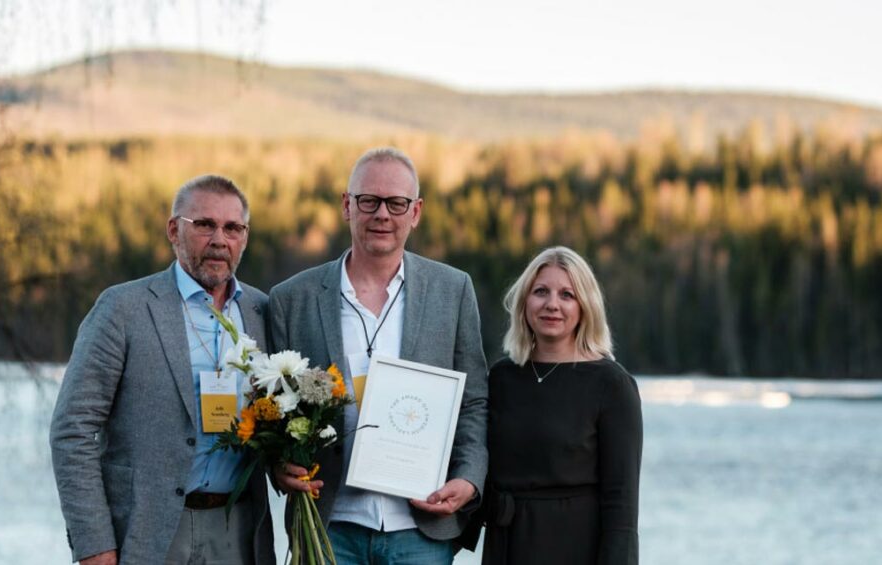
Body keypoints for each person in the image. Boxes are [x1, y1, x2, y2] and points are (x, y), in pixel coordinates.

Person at [268, 147, 488, 564]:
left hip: (420, 528)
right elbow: (272, 409)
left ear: (416, 211)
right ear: (347, 206)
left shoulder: (453, 291)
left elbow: (474, 400)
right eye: (368, 201)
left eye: (396, 203)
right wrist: (279, 467)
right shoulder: (291, 299)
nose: (382, 214)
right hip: (328, 524)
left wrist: (469, 478)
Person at [49, 175, 276, 565]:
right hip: (143, 534)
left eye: (232, 228)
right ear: (174, 230)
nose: (219, 239)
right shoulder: (123, 308)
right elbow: (74, 429)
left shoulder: (262, 311)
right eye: (204, 225)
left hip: (238, 530)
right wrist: (94, 542)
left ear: (245, 236)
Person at [468, 246, 642, 564]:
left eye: (567, 295)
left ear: (585, 306)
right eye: (541, 292)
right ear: (524, 302)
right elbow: (476, 463)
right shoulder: (501, 377)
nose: (552, 305)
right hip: (506, 546)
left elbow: (622, 506)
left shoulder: (611, 384)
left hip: (575, 547)